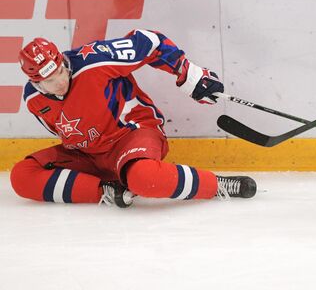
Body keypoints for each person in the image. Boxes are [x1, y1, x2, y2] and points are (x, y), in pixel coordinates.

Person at [11, 30, 257, 207]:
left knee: (144, 178)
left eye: (61, 72)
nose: (61, 82)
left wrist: (188, 72)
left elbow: (150, 42)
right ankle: (106, 190)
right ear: (35, 82)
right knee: (21, 176)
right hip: (88, 154)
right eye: (50, 81)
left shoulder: (94, 60)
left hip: (131, 135)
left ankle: (217, 185)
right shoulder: (33, 99)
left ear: (61, 62)